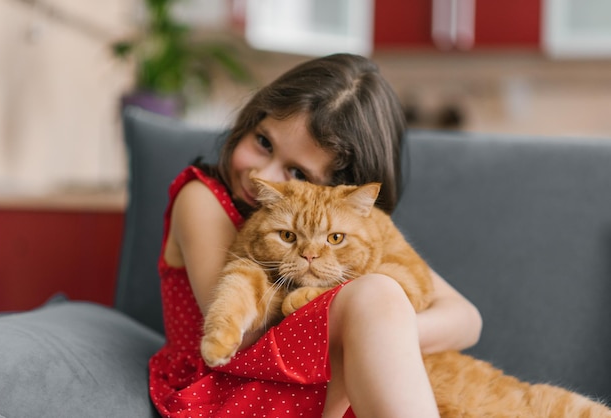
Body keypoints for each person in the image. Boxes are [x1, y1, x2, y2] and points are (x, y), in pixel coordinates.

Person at [149, 53, 482, 418]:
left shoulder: (328, 224)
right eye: (263, 141)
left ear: (335, 190)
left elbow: (466, 319)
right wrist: (365, 326)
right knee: (375, 295)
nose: (266, 175)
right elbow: (241, 336)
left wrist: (377, 333)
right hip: (232, 388)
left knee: (378, 294)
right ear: (251, 119)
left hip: (317, 388)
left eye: (299, 173)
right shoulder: (201, 198)